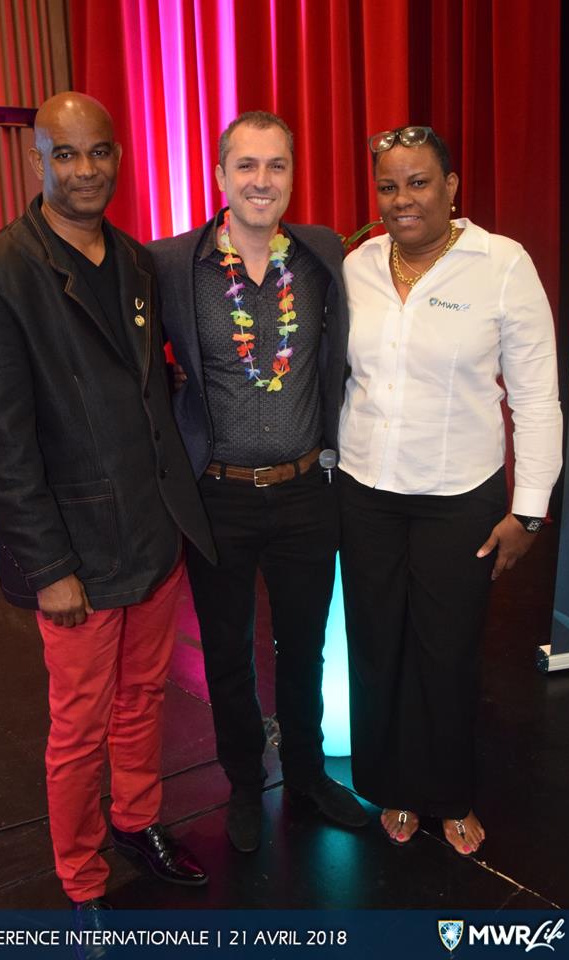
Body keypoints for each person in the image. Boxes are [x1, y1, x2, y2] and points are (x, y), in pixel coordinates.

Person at [0, 92, 216, 914]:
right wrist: (49, 567)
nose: (85, 170)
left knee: (144, 699)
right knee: (79, 725)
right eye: (64, 154)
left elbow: (145, 393)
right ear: (37, 160)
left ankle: (136, 821)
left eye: (98, 151)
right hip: (76, 555)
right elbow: (0, 445)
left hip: (152, 533)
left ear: (118, 157)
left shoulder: (135, 261)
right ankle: (81, 873)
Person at [338, 125, 562, 855]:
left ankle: (450, 792)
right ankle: (393, 786)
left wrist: (529, 511)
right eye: (388, 186)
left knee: (447, 650)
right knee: (377, 646)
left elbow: (536, 397)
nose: (402, 199)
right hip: (365, 489)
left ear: (452, 186)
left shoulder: (501, 264)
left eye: (419, 182)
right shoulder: (358, 265)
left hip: (459, 495)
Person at [148, 111, 367, 853]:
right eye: (246, 165)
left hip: (307, 489)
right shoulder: (172, 265)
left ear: (292, 176)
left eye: (277, 165)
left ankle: (305, 774)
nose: (262, 180)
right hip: (219, 495)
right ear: (220, 175)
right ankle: (245, 783)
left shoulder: (321, 254)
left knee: (304, 650)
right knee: (227, 652)